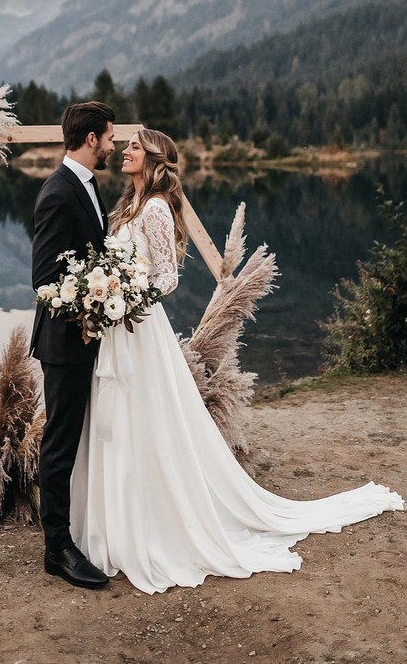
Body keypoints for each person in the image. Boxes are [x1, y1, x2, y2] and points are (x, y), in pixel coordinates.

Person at [69, 128, 404, 594]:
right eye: (123, 145)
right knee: (117, 421)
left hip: (138, 329)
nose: (125, 151)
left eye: (134, 147)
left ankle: (153, 524)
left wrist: (122, 297)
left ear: (153, 158)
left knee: (143, 419)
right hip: (117, 331)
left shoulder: (158, 209)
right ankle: (118, 519)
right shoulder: (129, 205)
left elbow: (166, 280)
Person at [30, 100, 116, 589]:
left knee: (78, 438)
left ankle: (77, 530)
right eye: (108, 137)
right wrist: (88, 306)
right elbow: (43, 277)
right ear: (90, 140)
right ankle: (57, 549)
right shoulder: (58, 193)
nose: (112, 145)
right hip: (63, 342)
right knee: (60, 442)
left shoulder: (88, 185)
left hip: (87, 339)